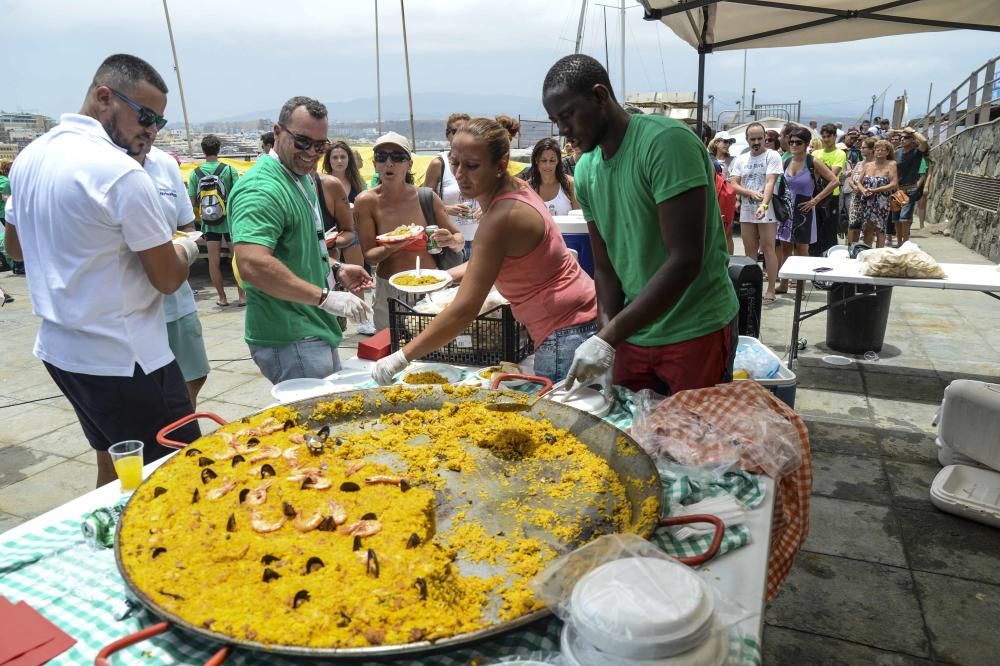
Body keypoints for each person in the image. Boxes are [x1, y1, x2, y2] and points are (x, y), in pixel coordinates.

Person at [3, 53, 202, 487]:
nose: (150, 129)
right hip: (126, 359)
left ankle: (101, 545)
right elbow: (167, 279)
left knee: (115, 467)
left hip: (64, 353)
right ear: (104, 96)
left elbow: (15, 248)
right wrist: (186, 247)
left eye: (159, 122)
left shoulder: (31, 158)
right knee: (183, 479)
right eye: (145, 115)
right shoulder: (120, 173)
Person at [540, 54, 738, 395]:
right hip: (633, 332)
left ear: (600, 96)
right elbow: (605, 267)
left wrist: (608, 338)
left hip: (695, 329)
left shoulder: (665, 142)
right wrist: (606, 341)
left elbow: (686, 259)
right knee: (631, 439)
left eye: (568, 115)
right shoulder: (586, 170)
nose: (564, 131)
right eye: (556, 120)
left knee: (693, 441)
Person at [372, 117, 598, 385]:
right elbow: (494, 260)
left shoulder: (502, 217)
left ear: (501, 165)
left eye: (472, 166)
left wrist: (400, 358)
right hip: (578, 320)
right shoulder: (518, 189)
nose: (459, 174)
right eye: (455, 162)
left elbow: (464, 310)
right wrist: (446, 276)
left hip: (566, 331)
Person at [229, 96, 373, 384]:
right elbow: (253, 265)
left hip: (312, 328)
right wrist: (325, 298)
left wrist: (335, 269)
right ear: (278, 133)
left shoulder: (301, 177)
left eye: (320, 146)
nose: (311, 153)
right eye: (302, 142)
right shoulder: (262, 189)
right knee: (318, 425)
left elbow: (299, 248)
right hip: (291, 336)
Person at [354, 131, 464, 331]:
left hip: (430, 287)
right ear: (375, 164)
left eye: (397, 157)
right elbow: (370, 256)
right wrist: (395, 245)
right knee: (390, 348)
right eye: (382, 157)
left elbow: (459, 239)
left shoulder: (426, 197)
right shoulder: (366, 201)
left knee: (434, 350)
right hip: (390, 288)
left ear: (409, 164)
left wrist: (450, 240)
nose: (389, 163)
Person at [138, 143, 211, 408]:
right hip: (130, 309)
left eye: (157, 119)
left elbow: (186, 224)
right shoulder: (102, 163)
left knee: (193, 376)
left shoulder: (164, 163)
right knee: (141, 398)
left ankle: (184, 432)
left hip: (177, 298)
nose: (149, 128)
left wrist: (182, 249)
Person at [775, 127, 839, 294]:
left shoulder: (813, 162)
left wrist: (815, 200)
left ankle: (801, 286)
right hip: (787, 209)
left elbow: (834, 181)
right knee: (785, 247)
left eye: (798, 142)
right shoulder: (786, 161)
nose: (794, 145)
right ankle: (784, 283)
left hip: (804, 209)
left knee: (802, 249)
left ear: (806, 144)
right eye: (791, 142)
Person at [187, 134, 245, 307]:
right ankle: (242, 297)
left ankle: (222, 298)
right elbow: (237, 195)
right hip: (230, 221)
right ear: (218, 149)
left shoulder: (195, 173)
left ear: (203, 151)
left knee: (214, 262)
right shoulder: (229, 170)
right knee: (236, 259)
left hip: (209, 223)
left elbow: (192, 202)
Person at [730, 122, 781, 303]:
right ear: (747, 140)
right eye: (753, 139)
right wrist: (749, 193)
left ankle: (771, 289)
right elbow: (734, 183)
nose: (757, 142)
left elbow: (770, 181)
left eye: (760, 138)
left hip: (766, 210)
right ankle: (751, 287)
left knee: (768, 248)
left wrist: (764, 205)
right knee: (749, 251)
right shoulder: (741, 159)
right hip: (747, 209)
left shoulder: (772, 156)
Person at [424, 113, 478, 255]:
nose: (461, 136)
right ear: (447, 135)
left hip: (481, 239)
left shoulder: (481, 163)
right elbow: (424, 202)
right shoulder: (439, 164)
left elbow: (494, 195)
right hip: (450, 242)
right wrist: (447, 209)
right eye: (455, 131)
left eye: (466, 131)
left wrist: (487, 209)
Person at [811, 123, 848, 255]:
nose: (826, 139)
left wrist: (818, 170)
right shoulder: (816, 153)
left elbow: (832, 175)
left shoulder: (840, 154)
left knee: (829, 231)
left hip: (831, 197)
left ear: (834, 137)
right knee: (815, 231)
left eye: (829, 136)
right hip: (815, 196)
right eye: (824, 136)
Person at [857, 139, 898, 248]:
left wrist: (875, 190)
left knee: (880, 227)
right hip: (867, 200)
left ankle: (880, 252)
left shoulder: (891, 164)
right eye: (877, 149)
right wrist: (863, 190)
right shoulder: (868, 165)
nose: (879, 152)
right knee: (867, 227)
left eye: (882, 150)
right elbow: (859, 182)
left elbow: (893, 183)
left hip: (882, 201)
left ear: (887, 152)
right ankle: (867, 250)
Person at [892, 127, 929, 246]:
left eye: (906, 138)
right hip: (898, 188)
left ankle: (905, 242)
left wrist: (912, 132)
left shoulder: (916, 153)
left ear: (912, 140)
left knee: (905, 218)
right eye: (902, 137)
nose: (903, 139)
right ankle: (899, 242)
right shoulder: (896, 153)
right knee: (896, 218)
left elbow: (924, 141)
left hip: (910, 188)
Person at [526, 137, 579, 216]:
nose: (548, 165)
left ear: (558, 161)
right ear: (536, 161)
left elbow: (579, 220)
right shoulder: (528, 188)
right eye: (543, 161)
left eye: (552, 160)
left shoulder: (570, 185)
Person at [845, 137, 876, 244]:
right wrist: (854, 187)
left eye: (864, 148)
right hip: (856, 198)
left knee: (868, 226)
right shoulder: (859, 164)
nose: (861, 149)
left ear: (872, 150)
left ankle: (866, 249)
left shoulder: (876, 165)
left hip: (870, 199)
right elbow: (850, 179)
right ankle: (851, 248)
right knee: (853, 225)